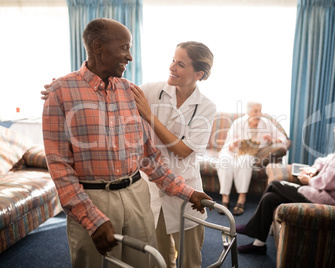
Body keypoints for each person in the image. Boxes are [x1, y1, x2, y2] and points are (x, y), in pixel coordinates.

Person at [41, 18, 211, 268]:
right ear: (98, 47)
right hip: (93, 197)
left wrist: (187, 192)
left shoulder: (130, 92)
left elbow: (148, 156)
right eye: (124, 48)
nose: (130, 57)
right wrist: (91, 218)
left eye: (129, 48)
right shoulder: (61, 93)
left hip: (138, 196)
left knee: (146, 262)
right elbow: (59, 168)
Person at [130, 41, 216, 267]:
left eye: (180, 64)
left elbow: (183, 150)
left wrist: (149, 116)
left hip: (186, 191)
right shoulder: (151, 89)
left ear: (199, 73)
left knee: (189, 261)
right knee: (158, 260)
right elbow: (114, 91)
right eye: (172, 60)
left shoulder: (206, 106)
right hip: (152, 189)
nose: (172, 67)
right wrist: (67, 89)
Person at [236, 115, 335, 255]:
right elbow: (325, 160)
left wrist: (308, 180)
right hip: (324, 194)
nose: (334, 130)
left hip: (327, 198)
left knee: (275, 184)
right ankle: (259, 244)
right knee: (270, 198)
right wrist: (314, 169)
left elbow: (332, 182)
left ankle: (252, 227)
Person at [217, 102, 287, 215]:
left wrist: (271, 139)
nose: (259, 114)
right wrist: (234, 143)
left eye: (260, 110)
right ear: (248, 112)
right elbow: (228, 144)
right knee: (225, 161)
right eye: (256, 111)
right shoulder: (238, 123)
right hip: (232, 152)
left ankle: (241, 198)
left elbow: (283, 138)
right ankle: (225, 199)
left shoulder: (266, 123)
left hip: (248, 153)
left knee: (245, 161)